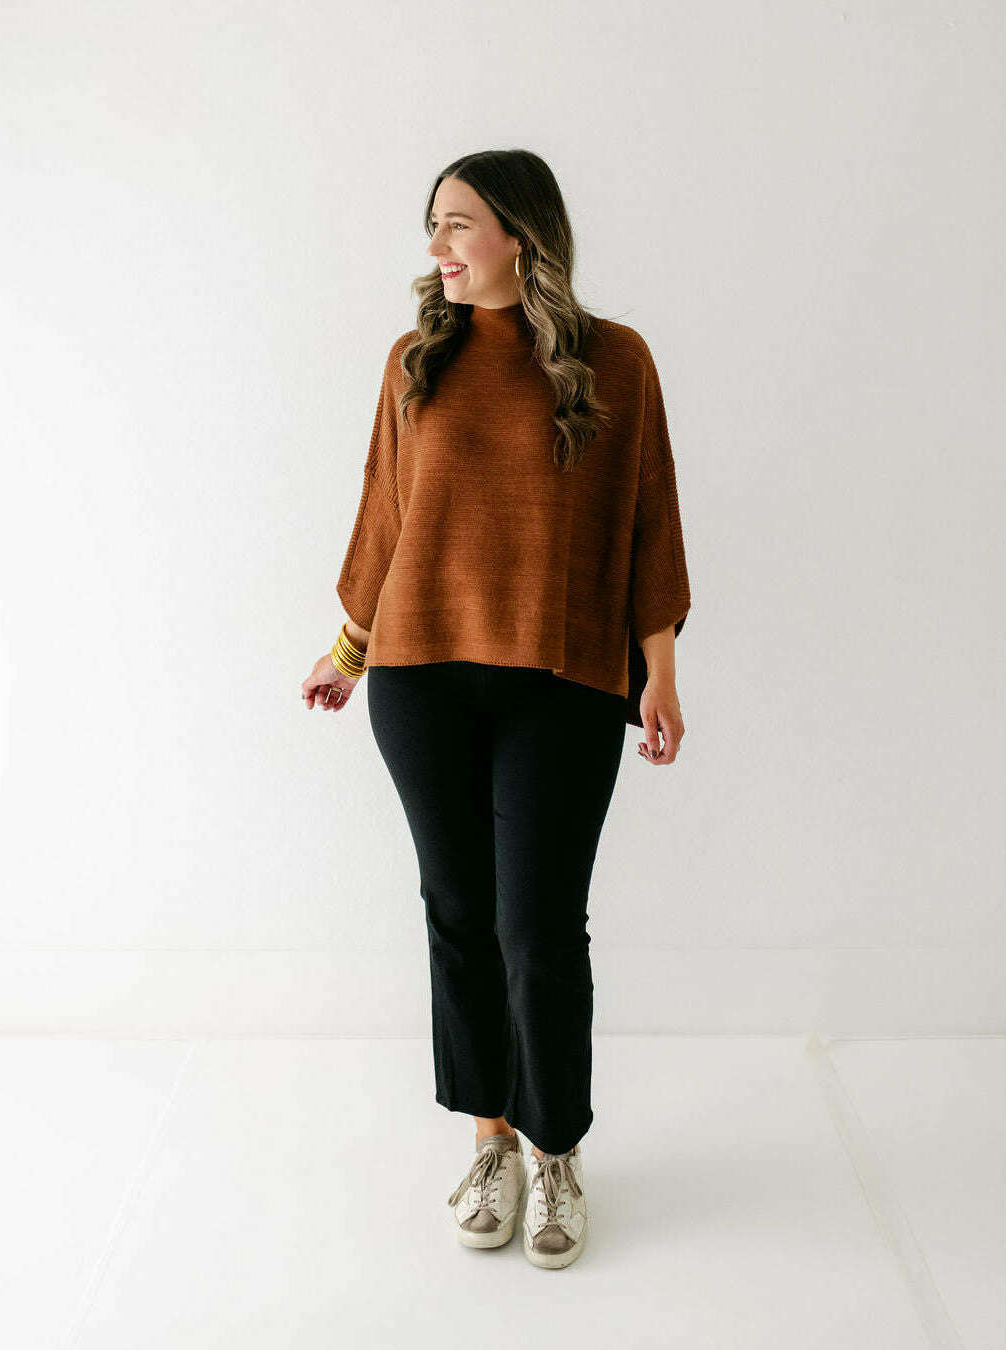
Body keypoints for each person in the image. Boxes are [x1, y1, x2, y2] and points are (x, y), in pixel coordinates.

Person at [300, 149, 691, 1270]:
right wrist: (349, 650)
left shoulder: (615, 360)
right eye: (432, 224)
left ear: (520, 233)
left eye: (457, 224)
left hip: (562, 680)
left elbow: (648, 519)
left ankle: (556, 1148)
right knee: (460, 914)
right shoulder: (415, 360)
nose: (437, 247)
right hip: (421, 678)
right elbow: (386, 516)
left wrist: (660, 668)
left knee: (539, 928)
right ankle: (490, 1141)